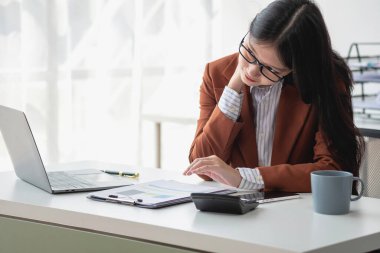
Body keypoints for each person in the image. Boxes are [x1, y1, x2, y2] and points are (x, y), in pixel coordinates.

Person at [183, 0, 364, 192]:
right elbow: (202, 167)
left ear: (296, 68)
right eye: (250, 51)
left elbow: (332, 170)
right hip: (236, 213)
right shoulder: (217, 73)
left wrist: (244, 177)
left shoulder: (327, 81)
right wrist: (234, 85)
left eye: (270, 68)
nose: (252, 71)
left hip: (300, 212)